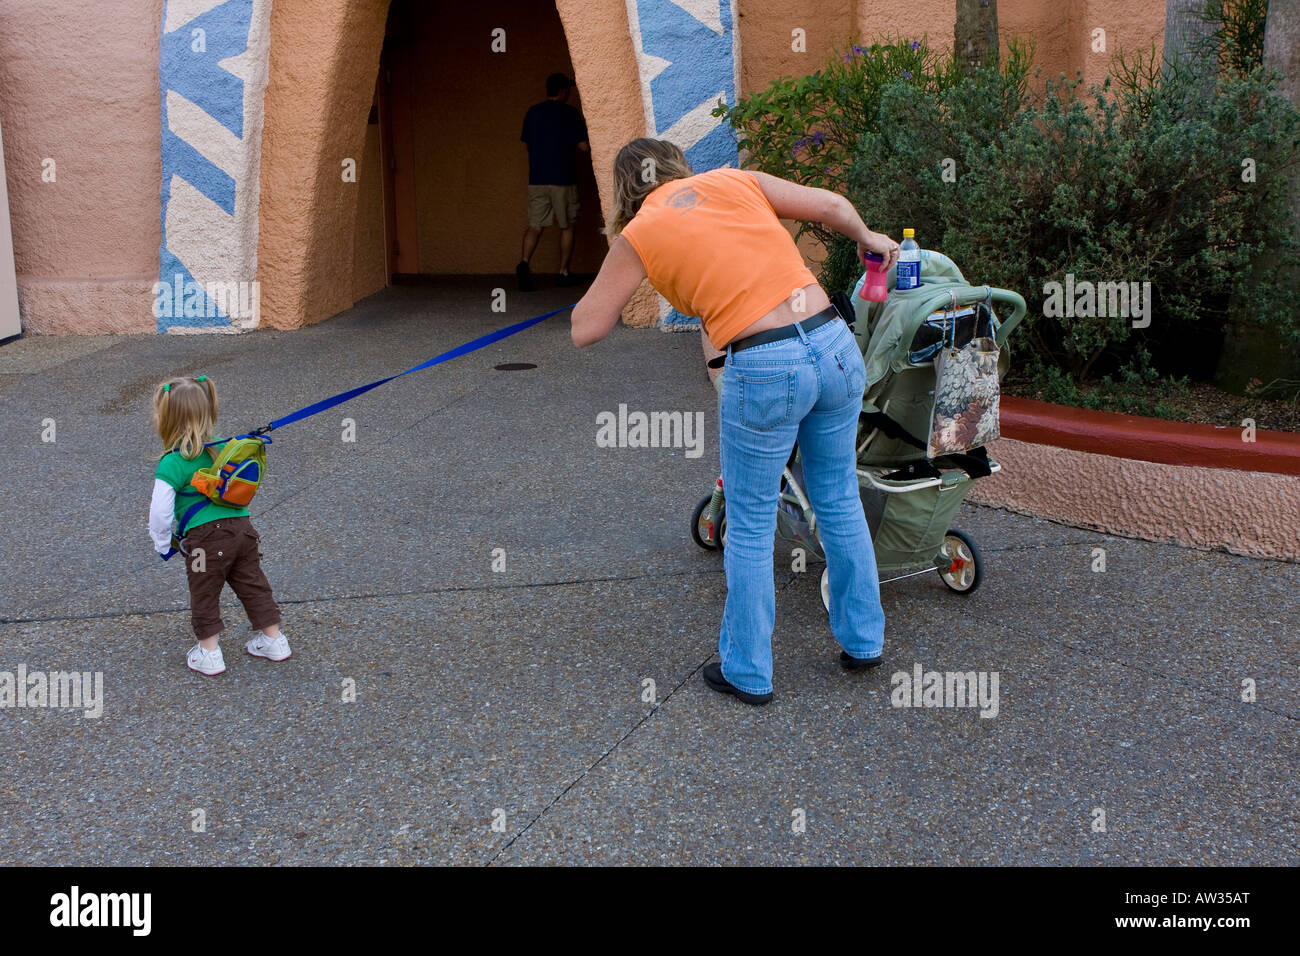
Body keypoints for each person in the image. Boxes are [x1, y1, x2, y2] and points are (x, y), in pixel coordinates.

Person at [571, 138, 900, 705]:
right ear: (679, 165)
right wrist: (869, 238)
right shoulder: (733, 181)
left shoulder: (640, 233)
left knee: (749, 521)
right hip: (832, 342)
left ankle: (748, 671)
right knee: (838, 496)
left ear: (626, 190)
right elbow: (830, 204)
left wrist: (591, 287)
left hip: (768, 364)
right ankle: (864, 641)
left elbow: (587, 326)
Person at [148, 375, 288, 676]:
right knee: (252, 582)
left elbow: (160, 512)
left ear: (166, 420)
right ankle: (274, 640)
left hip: (205, 544)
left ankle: (209, 653)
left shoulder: (171, 463)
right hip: (242, 531)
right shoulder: (218, 450)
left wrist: (162, 543)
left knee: (204, 591)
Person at [517, 73, 590, 291]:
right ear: (562, 91)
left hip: (537, 179)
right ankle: (563, 272)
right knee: (566, 226)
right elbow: (584, 147)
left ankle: (524, 264)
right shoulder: (570, 114)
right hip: (563, 180)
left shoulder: (533, 113)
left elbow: (528, 144)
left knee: (535, 225)